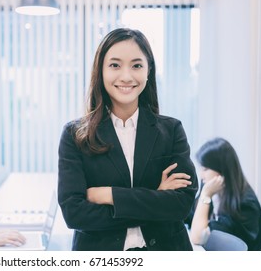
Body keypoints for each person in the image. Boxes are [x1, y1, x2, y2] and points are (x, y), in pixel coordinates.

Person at [58, 28, 198, 251]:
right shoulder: (75, 135)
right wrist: (156, 198)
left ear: (148, 70)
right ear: (101, 71)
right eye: (115, 65)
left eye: (137, 65)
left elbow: (181, 204)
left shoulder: (171, 130)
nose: (126, 76)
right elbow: (75, 214)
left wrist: (108, 195)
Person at [185, 137, 261, 251]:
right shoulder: (212, 188)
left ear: (222, 170)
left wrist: (205, 196)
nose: (201, 175)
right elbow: (191, 215)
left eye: (206, 169)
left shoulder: (245, 204)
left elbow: (197, 237)